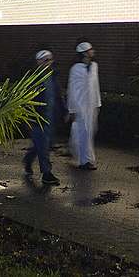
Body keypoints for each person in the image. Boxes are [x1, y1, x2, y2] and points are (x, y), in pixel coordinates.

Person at [23, 49, 64, 185]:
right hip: (38, 118)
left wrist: (64, 110)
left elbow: (58, 96)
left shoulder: (53, 77)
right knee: (43, 145)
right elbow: (27, 99)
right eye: (45, 60)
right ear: (38, 62)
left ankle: (28, 159)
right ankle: (46, 173)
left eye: (50, 60)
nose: (48, 63)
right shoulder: (33, 78)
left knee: (42, 144)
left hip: (51, 116)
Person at [67, 40, 101, 170]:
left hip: (91, 106)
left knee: (90, 132)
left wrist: (97, 103)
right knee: (82, 132)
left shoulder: (94, 66)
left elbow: (96, 86)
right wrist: (72, 109)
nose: (93, 51)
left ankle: (88, 158)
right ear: (85, 53)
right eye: (90, 50)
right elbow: (72, 89)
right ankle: (83, 161)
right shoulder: (75, 69)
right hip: (80, 106)